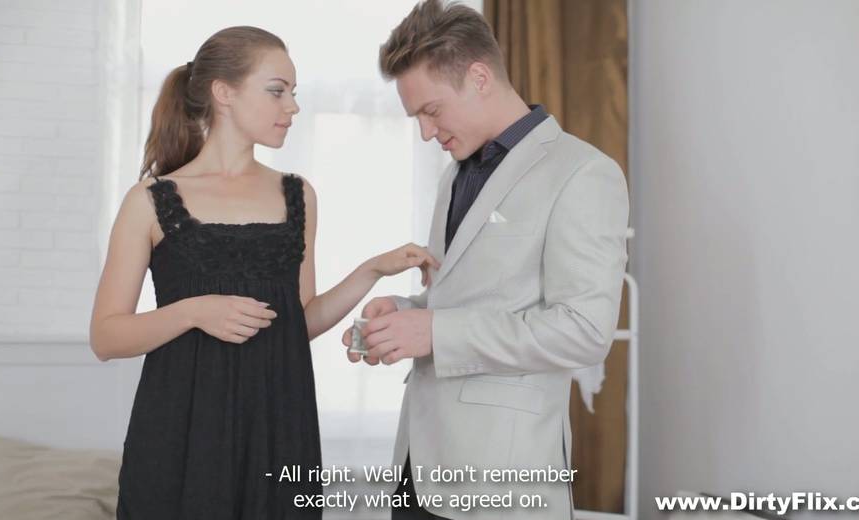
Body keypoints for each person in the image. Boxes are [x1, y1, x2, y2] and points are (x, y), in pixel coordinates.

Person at [89, 26, 437, 519]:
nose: (292, 106)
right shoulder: (149, 200)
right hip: (181, 432)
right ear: (224, 93)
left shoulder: (298, 195)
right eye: (277, 91)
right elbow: (106, 337)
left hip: (278, 426)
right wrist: (194, 312)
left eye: (294, 92)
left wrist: (371, 271)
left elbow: (299, 321)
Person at [342, 1, 629, 519]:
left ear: (478, 77)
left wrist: (435, 332)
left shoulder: (583, 173)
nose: (426, 132)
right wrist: (406, 312)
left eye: (431, 111)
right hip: (417, 466)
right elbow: (464, 297)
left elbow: (584, 331)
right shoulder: (455, 173)